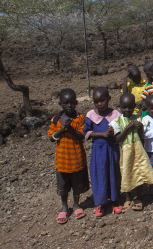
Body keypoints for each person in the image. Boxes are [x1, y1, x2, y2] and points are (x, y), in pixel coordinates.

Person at [48, 88, 89, 224]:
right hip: (62, 161)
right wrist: (61, 129)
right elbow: (52, 137)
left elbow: (81, 136)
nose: (69, 106)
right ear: (60, 104)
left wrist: (70, 128)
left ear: (76, 102)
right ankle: (64, 207)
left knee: (77, 185)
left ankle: (76, 205)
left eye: (72, 103)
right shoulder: (56, 119)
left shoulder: (80, 118)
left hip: (77, 159)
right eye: (66, 103)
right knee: (63, 186)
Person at [111, 93, 153, 211]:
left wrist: (140, 126)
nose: (127, 110)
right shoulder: (117, 122)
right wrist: (127, 128)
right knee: (126, 172)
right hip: (125, 151)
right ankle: (127, 197)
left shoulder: (138, 118)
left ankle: (138, 197)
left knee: (140, 171)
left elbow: (141, 135)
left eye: (130, 107)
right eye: (124, 107)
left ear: (134, 106)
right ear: (120, 107)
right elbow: (117, 139)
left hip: (138, 150)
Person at [84, 87, 122, 217]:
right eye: (96, 101)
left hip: (112, 149)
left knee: (113, 174)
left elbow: (121, 130)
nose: (99, 104)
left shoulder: (116, 114)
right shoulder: (91, 115)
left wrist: (114, 132)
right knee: (100, 175)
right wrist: (102, 134)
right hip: (98, 151)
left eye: (102, 100)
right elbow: (87, 133)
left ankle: (115, 200)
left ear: (109, 99)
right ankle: (101, 203)